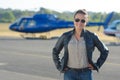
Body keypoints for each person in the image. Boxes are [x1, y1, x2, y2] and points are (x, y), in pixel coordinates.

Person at [52, 9, 109, 80]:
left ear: (86, 22)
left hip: (86, 74)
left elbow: (105, 51)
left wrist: (97, 65)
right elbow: (55, 51)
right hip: (69, 74)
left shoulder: (92, 36)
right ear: (74, 21)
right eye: (77, 20)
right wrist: (59, 66)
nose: (79, 22)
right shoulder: (65, 36)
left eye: (83, 20)